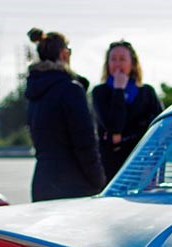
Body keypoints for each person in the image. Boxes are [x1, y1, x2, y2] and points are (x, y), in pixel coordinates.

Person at [25, 28, 106, 201]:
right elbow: (85, 144)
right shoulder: (70, 90)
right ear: (63, 54)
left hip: (42, 184)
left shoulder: (34, 92)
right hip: (73, 187)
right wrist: (100, 182)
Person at [92, 40, 164, 182]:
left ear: (132, 63)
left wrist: (123, 138)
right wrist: (119, 90)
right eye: (113, 59)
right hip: (113, 168)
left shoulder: (147, 92)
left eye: (122, 59)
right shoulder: (100, 92)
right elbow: (114, 127)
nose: (117, 64)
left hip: (143, 163)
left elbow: (157, 128)